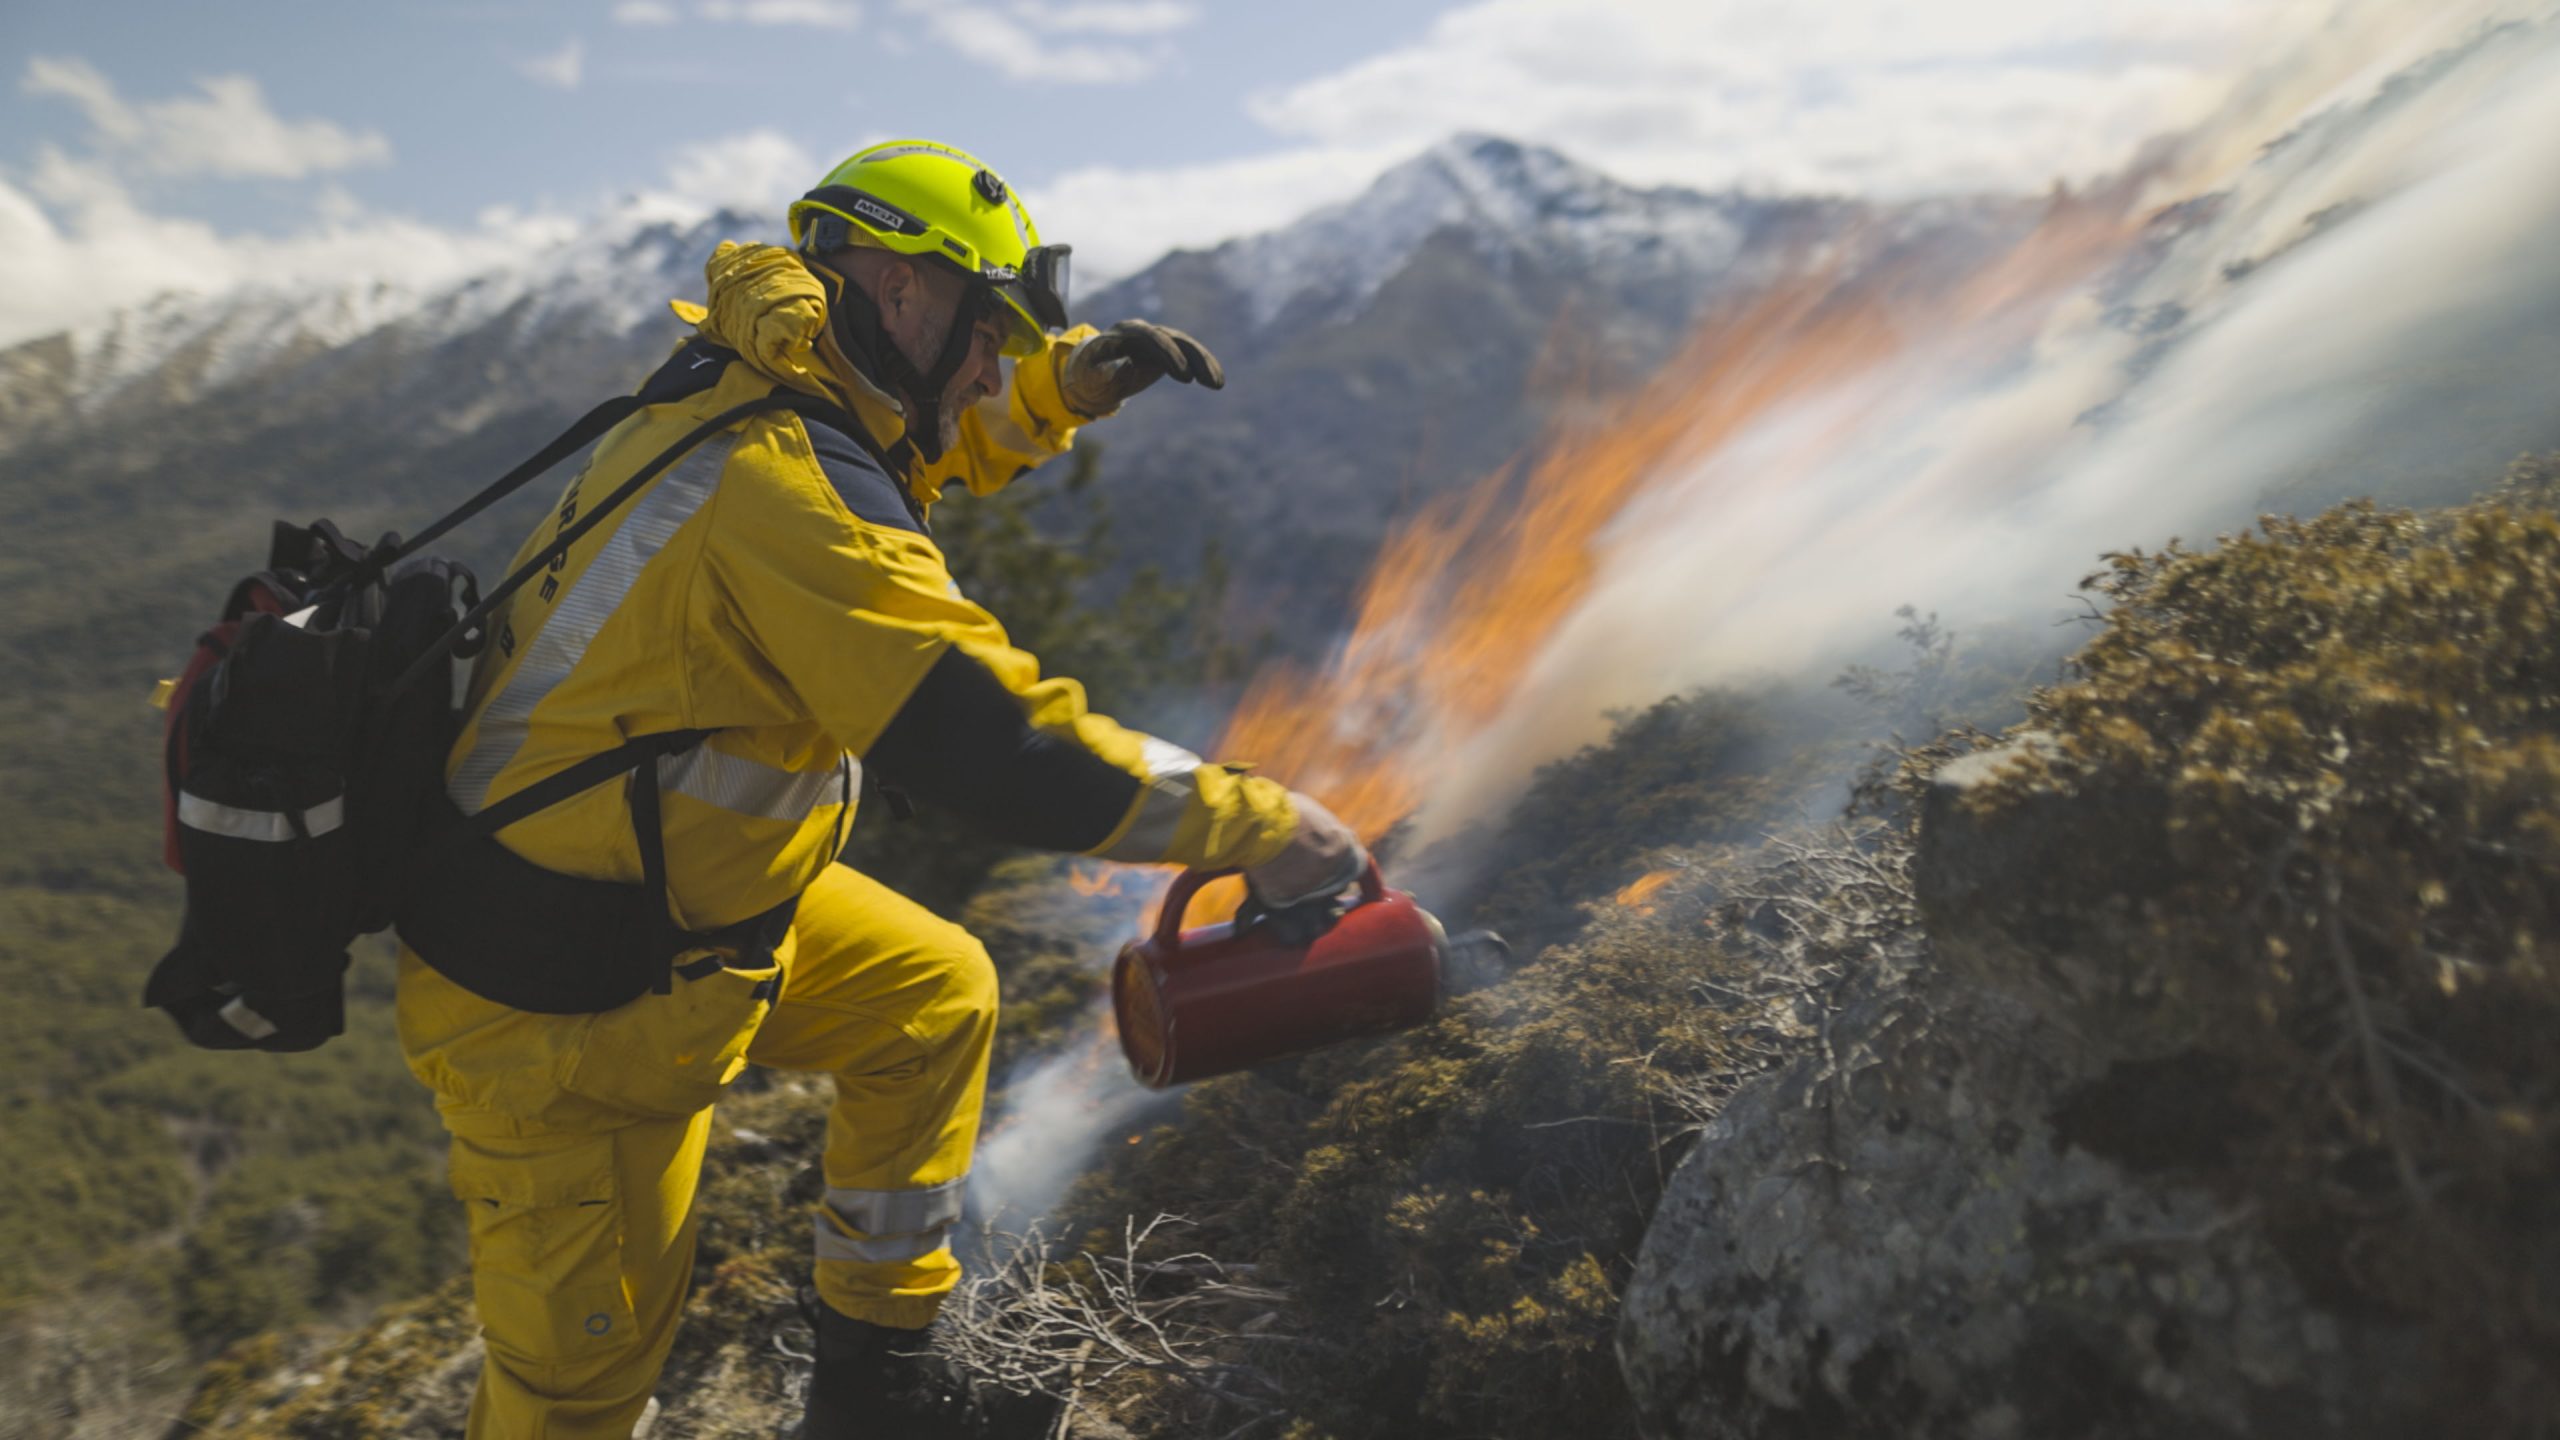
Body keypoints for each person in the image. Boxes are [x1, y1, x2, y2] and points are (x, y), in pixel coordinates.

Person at [393, 138, 1364, 1438]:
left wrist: (1061, 391)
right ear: (903, 287)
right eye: (990, 333)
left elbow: (919, 449)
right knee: (580, 1395)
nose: (991, 367)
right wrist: (1267, 826)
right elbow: (1005, 751)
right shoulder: (779, 486)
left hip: (690, 914)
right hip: (567, 1010)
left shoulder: (785, 377)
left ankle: (873, 1396)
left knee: (932, 996)